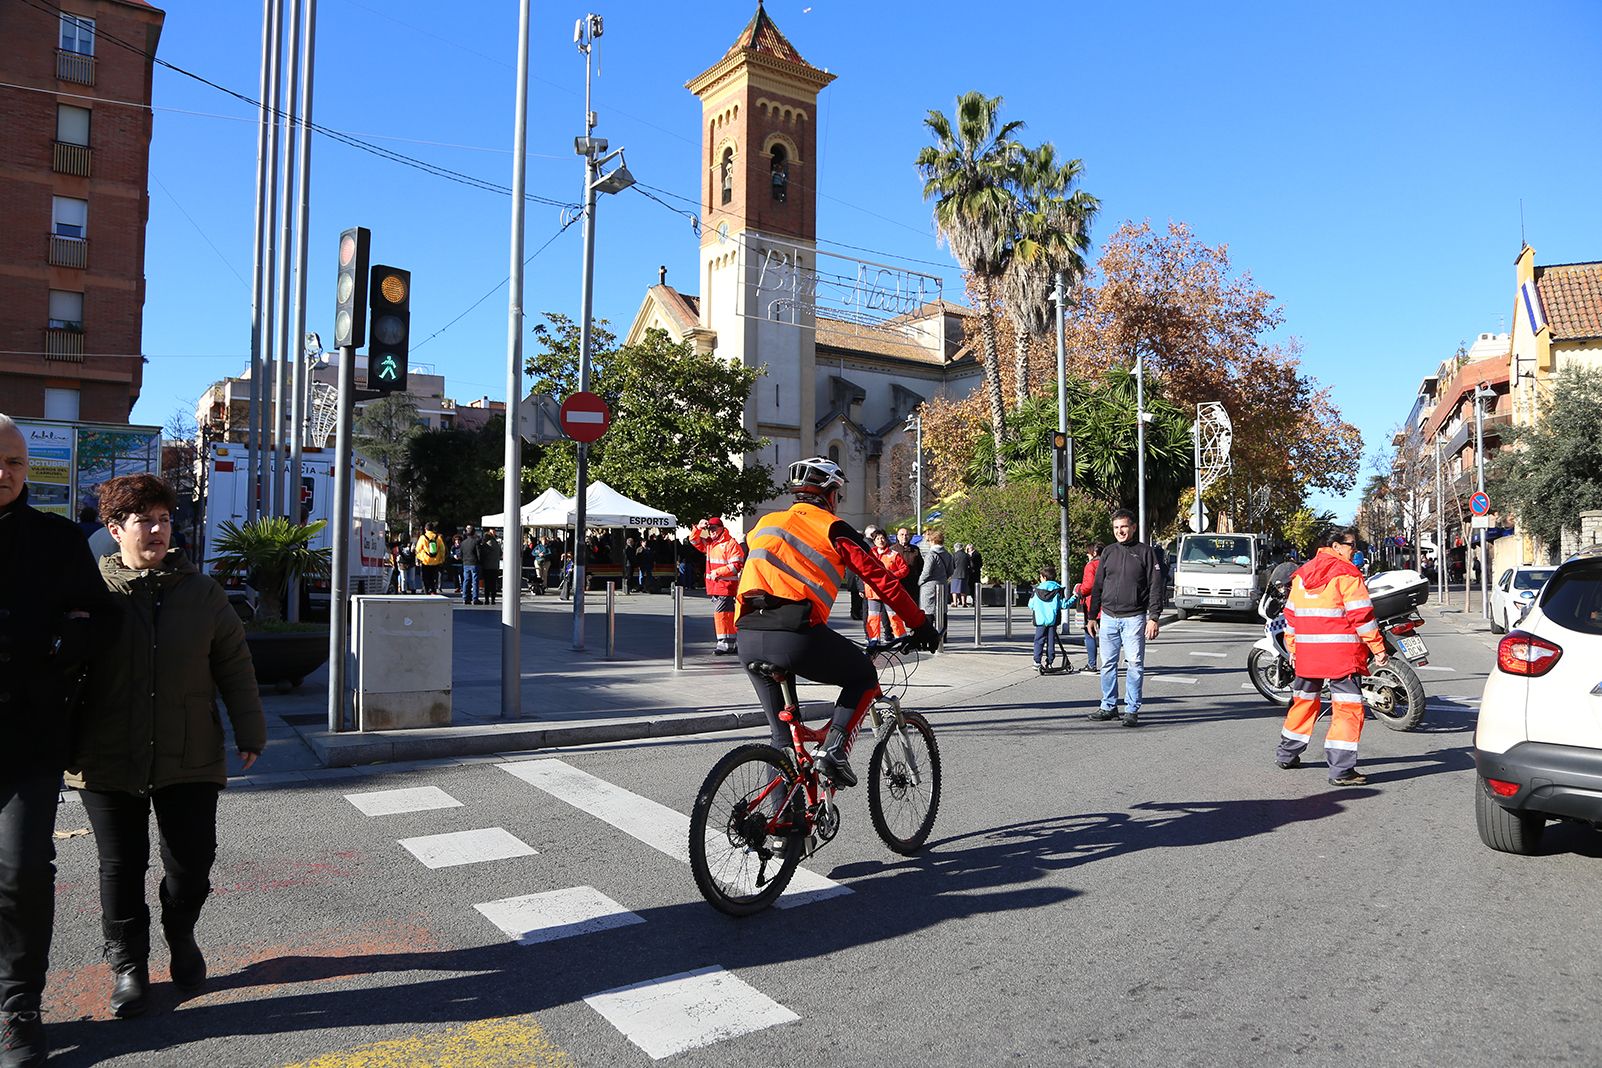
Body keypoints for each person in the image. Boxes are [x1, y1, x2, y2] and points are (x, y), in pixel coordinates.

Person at [66, 473, 265, 1019]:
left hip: (190, 753)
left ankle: (181, 932)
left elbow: (234, 664)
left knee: (192, 862)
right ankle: (129, 966)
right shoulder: (89, 593)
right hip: (106, 756)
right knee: (120, 866)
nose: (158, 530)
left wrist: (251, 730)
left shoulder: (202, 593)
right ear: (114, 529)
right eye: (144, 521)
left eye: (164, 519)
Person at [0, 414, 104, 1067]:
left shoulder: (60, 541)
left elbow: (98, 622)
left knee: (21, 873)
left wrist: (61, 654)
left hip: (29, 738)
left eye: (12, 462)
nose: (4, 474)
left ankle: (19, 1011)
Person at [736, 457, 940, 787]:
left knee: (783, 739)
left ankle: (783, 832)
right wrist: (920, 625)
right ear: (831, 495)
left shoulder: (764, 524)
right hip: (794, 635)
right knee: (862, 675)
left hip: (746, 634)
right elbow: (882, 581)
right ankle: (834, 752)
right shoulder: (833, 528)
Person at [1275, 528, 1389, 786]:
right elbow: (1362, 616)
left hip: (1307, 653)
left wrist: (1293, 649)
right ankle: (1341, 770)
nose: (1355, 550)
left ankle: (1286, 754)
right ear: (1336, 546)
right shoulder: (1347, 574)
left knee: (1303, 703)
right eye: (1352, 545)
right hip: (1341, 654)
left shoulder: (1302, 575)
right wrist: (1377, 648)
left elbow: (1290, 617)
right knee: (1347, 709)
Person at [1088, 509, 1163, 727]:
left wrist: (1154, 617)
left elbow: (1155, 586)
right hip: (1109, 617)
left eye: (1124, 527)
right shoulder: (1109, 553)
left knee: (1135, 664)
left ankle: (1131, 710)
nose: (1120, 531)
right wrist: (1092, 616)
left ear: (1133, 528)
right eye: (1116, 528)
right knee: (1108, 664)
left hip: (1134, 618)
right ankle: (1108, 706)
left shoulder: (1145, 552)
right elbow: (1098, 586)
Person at [689, 517, 746, 655]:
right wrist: (699, 527)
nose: (711, 531)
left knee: (722, 615)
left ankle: (724, 645)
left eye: (714, 528)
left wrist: (718, 572)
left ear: (721, 528)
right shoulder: (710, 543)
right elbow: (694, 540)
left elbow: (737, 565)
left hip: (725, 585)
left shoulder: (730, 543)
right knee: (726, 615)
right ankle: (729, 644)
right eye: (710, 529)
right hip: (716, 586)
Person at [864, 530, 911, 645]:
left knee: (893, 615)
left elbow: (904, 569)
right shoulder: (869, 554)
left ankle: (900, 637)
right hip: (873, 590)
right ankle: (873, 639)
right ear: (874, 541)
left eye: (882, 538)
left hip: (888, 590)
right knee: (873, 616)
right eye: (878, 538)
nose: (881, 540)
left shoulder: (893, 554)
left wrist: (892, 576)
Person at [1028, 565, 1069, 670]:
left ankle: (1037, 662)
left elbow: (1030, 605)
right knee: (1051, 641)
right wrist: (1075, 596)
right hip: (1053, 620)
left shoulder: (1036, 590)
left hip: (1040, 620)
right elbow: (1064, 605)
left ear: (1044, 577)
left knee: (1038, 640)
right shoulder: (1058, 590)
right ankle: (1050, 662)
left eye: (1040, 577)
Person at [1075, 543, 1102, 674]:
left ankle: (1092, 664)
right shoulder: (1109, 563)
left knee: (1089, 634)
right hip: (1110, 604)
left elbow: (1088, 585)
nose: (1087, 555)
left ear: (1094, 553)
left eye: (1088, 552)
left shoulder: (1091, 565)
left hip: (1092, 605)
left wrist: (1079, 589)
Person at [918, 529, 955, 623]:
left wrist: (919, 581)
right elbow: (951, 571)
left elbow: (926, 572)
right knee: (942, 611)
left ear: (933, 541)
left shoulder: (931, 555)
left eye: (929, 541)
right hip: (942, 584)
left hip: (929, 587)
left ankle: (929, 636)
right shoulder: (948, 554)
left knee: (928, 611)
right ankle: (943, 636)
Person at [414, 523, 446, 595]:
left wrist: (419, 557)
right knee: (433, 576)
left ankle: (426, 590)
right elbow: (442, 549)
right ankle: (433, 590)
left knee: (425, 577)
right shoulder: (438, 537)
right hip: (436, 561)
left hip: (425, 561)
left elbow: (418, 549)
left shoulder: (423, 538)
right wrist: (441, 559)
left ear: (425, 529)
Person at [458, 524, 482, 605]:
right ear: (474, 532)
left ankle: (465, 597)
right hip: (474, 563)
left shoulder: (463, 543)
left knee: (466, 580)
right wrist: (479, 561)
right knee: (475, 581)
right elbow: (479, 554)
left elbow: (460, 555)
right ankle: (475, 598)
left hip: (465, 563)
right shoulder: (476, 542)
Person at [480, 529, 501, 605]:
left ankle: (486, 599)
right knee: (493, 584)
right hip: (495, 567)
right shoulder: (497, 545)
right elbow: (500, 554)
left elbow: (482, 555)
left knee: (487, 584)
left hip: (487, 567)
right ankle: (493, 599)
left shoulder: (485, 545)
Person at [949, 538, 970, 608]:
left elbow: (952, 565)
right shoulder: (966, 555)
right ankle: (964, 602)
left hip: (955, 574)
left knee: (954, 590)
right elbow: (971, 565)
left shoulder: (954, 555)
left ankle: (955, 603)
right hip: (964, 574)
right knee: (963, 589)